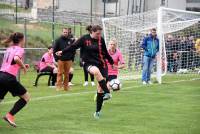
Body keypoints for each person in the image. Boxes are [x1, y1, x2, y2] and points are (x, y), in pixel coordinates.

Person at [56, 25, 114, 119]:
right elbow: (73, 46)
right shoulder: (84, 39)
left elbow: (105, 53)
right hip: (88, 63)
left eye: (100, 33)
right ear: (92, 32)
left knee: (100, 89)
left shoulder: (101, 40)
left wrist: (111, 62)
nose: (99, 35)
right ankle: (107, 92)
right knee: (95, 71)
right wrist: (62, 51)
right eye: (97, 33)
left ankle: (97, 112)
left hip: (102, 64)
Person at [0, 32, 30, 127]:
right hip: (9, 78)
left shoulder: (9, 49)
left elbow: (11, 62)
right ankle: (10, 115)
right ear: (21, 40)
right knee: (26, 97)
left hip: (1, 75)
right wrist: (24, 68)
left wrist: (22, 65)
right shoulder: (20, 49)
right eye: (24, 39)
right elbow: (16, 59)